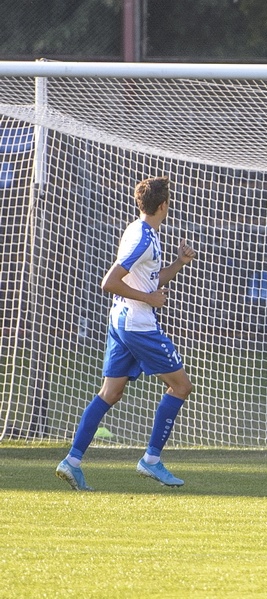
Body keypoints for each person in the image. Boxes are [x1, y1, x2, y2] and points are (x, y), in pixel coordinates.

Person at [55, 176, 196, 491]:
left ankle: (72, 462)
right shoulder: (143, 239)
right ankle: (150, 461)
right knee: (181, 386)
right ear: (163, 205)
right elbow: (110, 282)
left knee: (111, 393)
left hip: (120, 321)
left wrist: (179, 263)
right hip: (137, 323)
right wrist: (150, 300)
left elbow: (149, 277)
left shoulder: (139, 230)